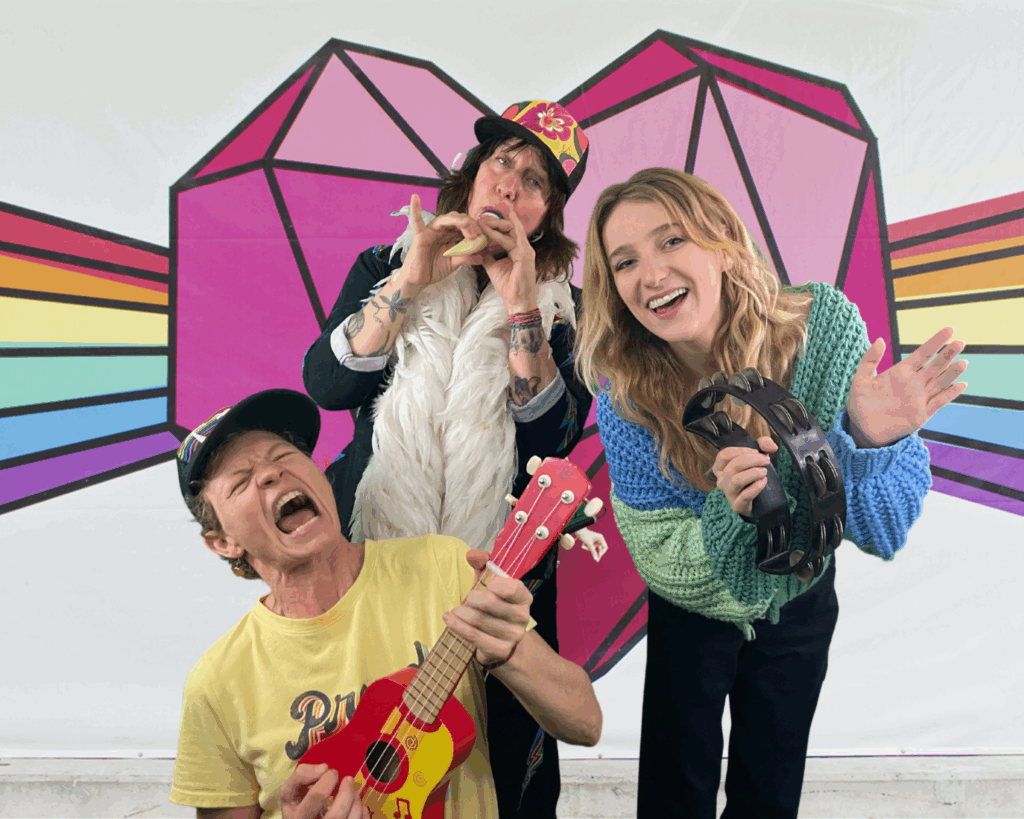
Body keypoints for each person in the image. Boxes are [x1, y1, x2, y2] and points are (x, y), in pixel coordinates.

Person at [574, 168, 969, 819]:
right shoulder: (626, 393)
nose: (651, 274)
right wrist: (732, 515)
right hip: (694, 601)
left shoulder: (822, 328)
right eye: (625, 261)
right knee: (674, 790)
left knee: (770, 789)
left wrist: (864, 441)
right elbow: (658, 554)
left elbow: (884, 527)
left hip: (800, 594)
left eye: (671, 240)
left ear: (724, 245)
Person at [301, 101, 593, 817]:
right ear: (474, 172)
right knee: (364, 761)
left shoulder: (570, 312)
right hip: (372, 556)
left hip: (495, 571)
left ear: (546, 216)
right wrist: (411, 281)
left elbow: (552, 446)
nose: (510, 184)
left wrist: (521, 303)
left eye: (535, 182)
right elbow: (327, 384)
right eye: (502, 162)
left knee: (504, 768)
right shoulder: (386, 266)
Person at [168, 388, 602, 819]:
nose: (270, 474)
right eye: (241, 481)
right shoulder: (217, 683)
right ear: (222, 542)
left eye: (282, 456)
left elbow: (585, 723)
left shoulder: (443, 566)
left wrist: (508, 652)